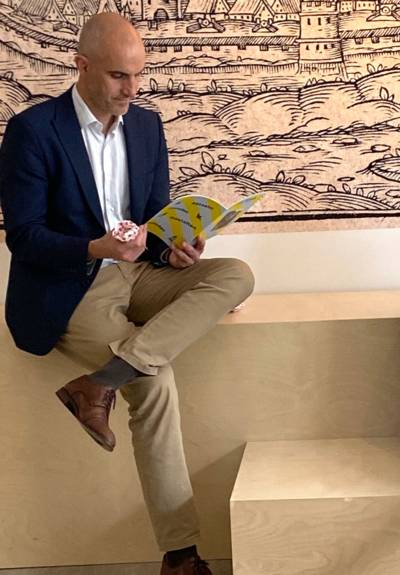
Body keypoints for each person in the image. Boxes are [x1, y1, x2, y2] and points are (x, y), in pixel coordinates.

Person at [0, 13, 254, 575]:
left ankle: (97, 384)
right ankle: (182, 554)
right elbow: (23, 236)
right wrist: (96, 249)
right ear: (81, 66)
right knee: (156, 379)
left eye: (138, 76)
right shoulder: (33, 131)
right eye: (118, 77)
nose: (131, 90)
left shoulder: (145, 126)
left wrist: (174, 250)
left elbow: (153, 221)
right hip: (72, 288)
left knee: (235, 276)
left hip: (138, 275)